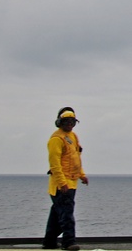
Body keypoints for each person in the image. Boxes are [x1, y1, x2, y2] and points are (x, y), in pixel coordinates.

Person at [43, 107, 88, 251]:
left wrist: (82, 175)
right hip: (61, 185)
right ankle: (69, 242)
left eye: (72, 122)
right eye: (66, 121)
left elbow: (75, 157)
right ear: (59, 122)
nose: (69, 124)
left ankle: (49, 242)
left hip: (71, 182)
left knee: (57, 215)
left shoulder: (73, 137)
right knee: (66, 214)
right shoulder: (56, 139)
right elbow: (55, 164)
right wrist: (62, 182)